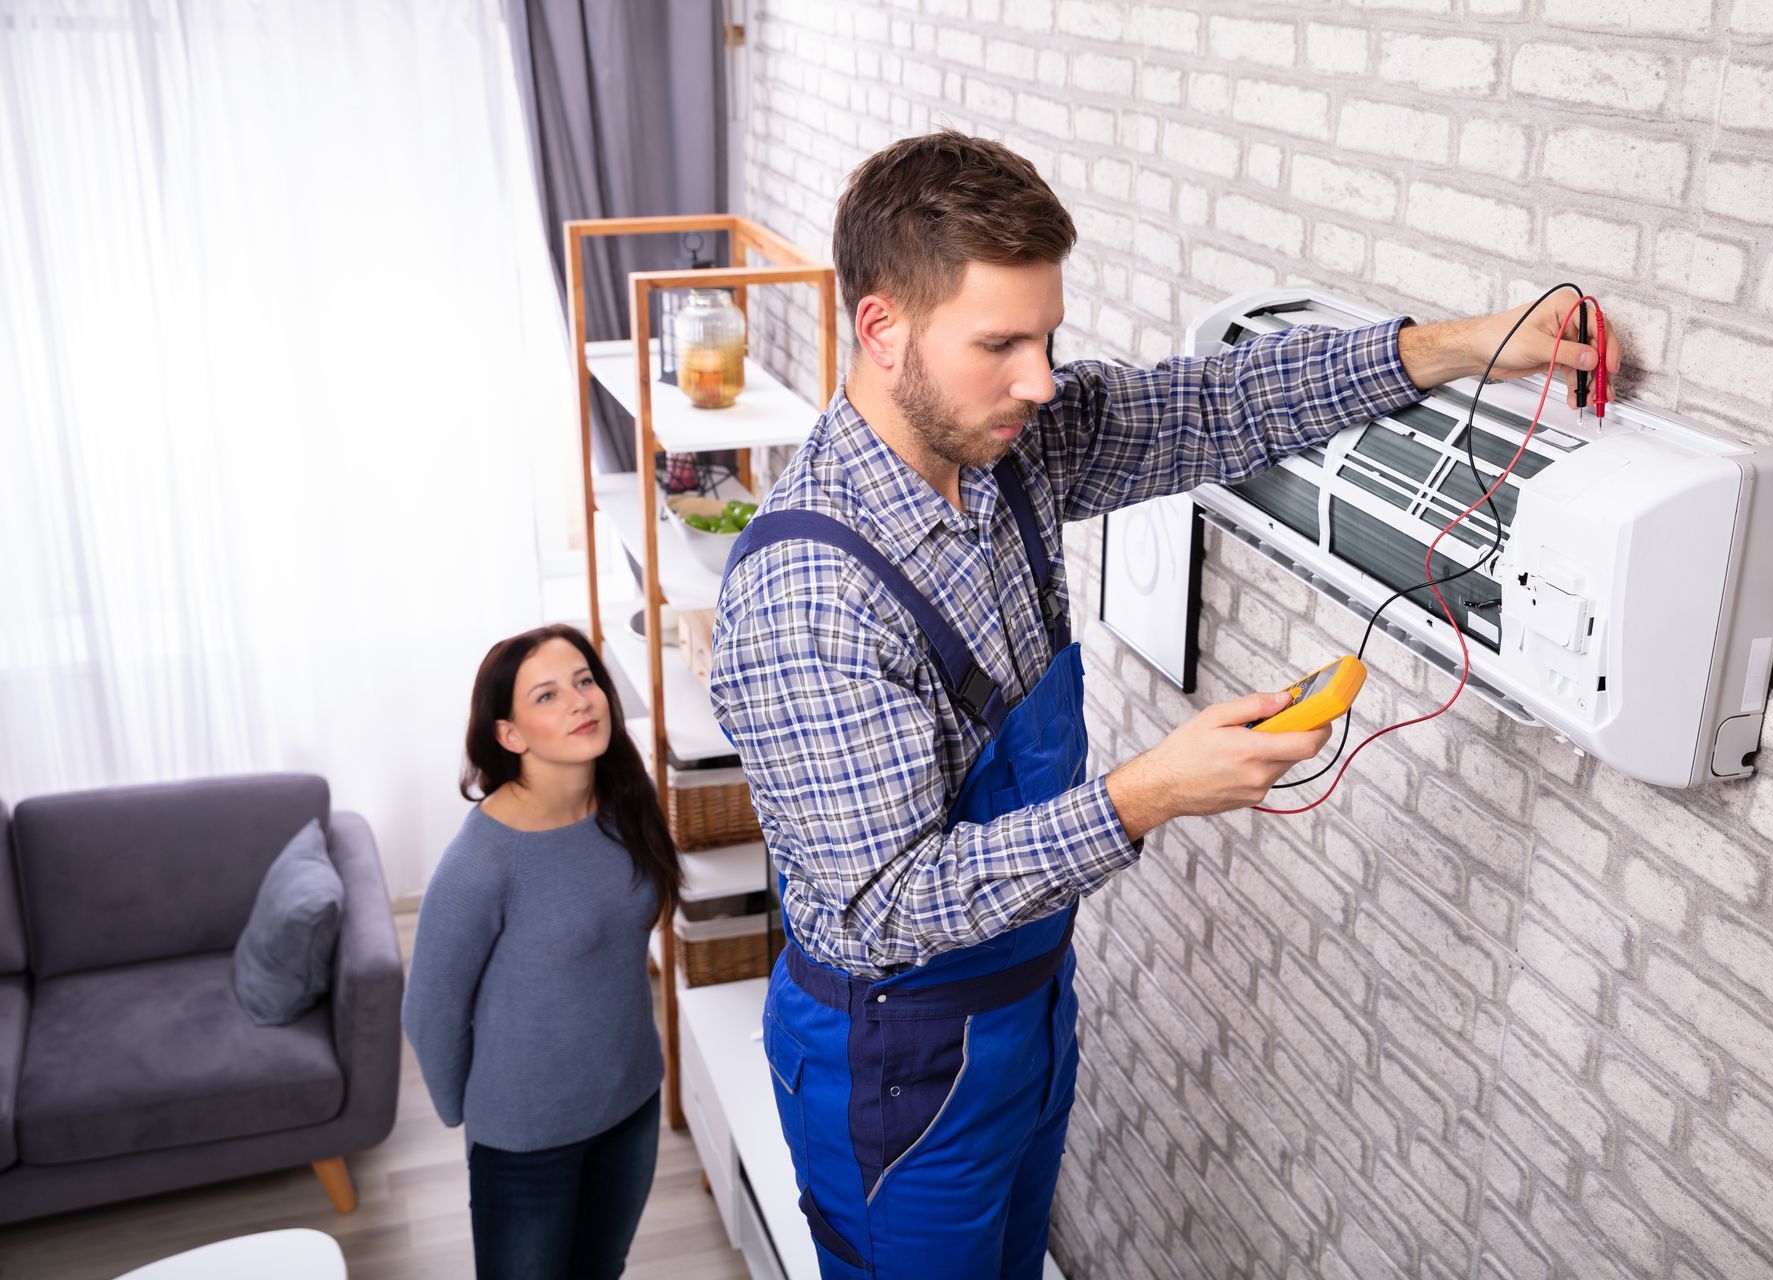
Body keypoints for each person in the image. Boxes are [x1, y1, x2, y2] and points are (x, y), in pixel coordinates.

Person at [709, 131, 1622, 1280]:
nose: (1039, 379)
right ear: (882, 329)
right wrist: (1147, 795)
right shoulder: (811, 593)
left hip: (1028, 1005)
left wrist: (1472, 344)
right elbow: (887, 907)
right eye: (1000, 344)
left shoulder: (1010, 453)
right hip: (895, 1066)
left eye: (1046, 337)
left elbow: (1221, 403)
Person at [403, 623, 681, 1280]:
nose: (581, 701)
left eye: (585, 681)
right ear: (511, 735)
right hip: (526, 1138)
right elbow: (429, 1009)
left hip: (630, 1102)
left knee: (601, 1269)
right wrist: (470, 1113)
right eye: (549, 695)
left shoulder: (626, 805)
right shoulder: (481, 861)